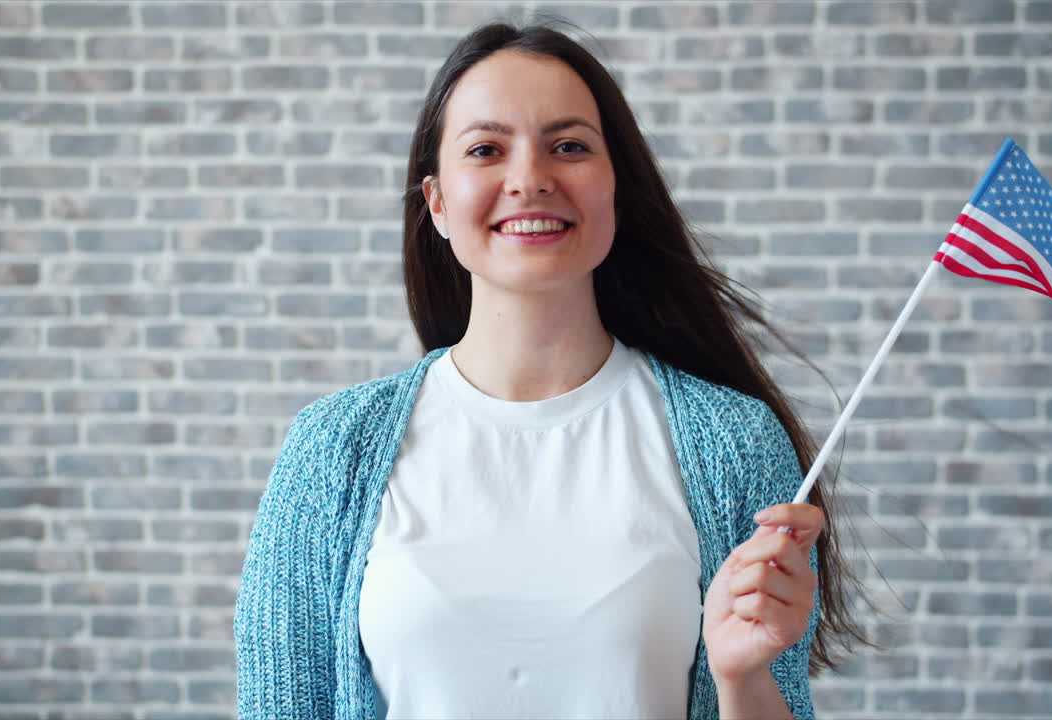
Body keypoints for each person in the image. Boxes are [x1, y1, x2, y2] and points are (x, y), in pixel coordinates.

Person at [235, 21, 862, 720]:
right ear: (437, 202)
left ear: (615, 190)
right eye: (486, 149)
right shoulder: (332, 451)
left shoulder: (737, 444)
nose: (531, 179)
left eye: (569, 147)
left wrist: (744, 681)